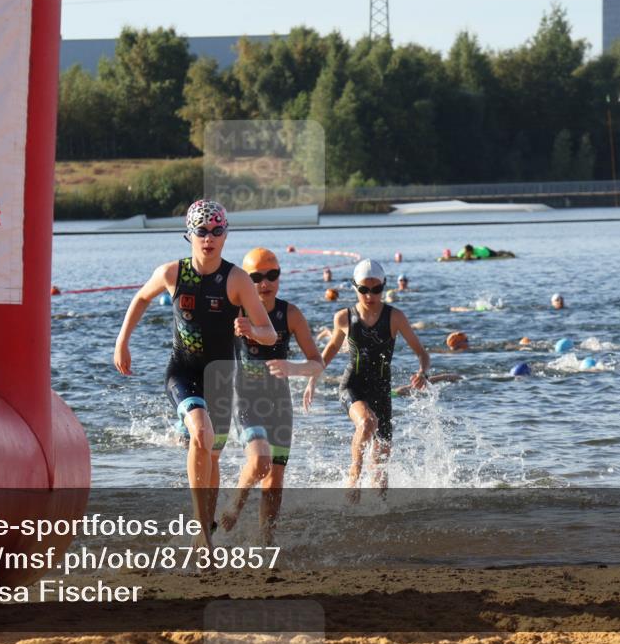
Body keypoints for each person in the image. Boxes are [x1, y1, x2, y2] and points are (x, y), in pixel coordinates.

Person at [114, 200, 276, 551]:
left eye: (217, 231)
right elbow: (141, 298)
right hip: (183, 371)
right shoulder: (172, 273)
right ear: (188, 235)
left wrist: (251, 330)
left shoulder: (237, 280)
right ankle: (202, 529)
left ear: (225, 235)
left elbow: (270, 334)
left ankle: (205, 529)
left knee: (211, 454)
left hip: (221, 377)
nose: (209, 238)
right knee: (201, 434)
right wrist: (122, 342)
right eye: (202, 231)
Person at [304, 259, 430, 503]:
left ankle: (376, 515)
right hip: (353, 386)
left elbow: (422, 353)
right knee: (366, 422)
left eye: (376, 290)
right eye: (364, 290)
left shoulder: (395, 317)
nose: (370, 295)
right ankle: (353, 474)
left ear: (383, 286)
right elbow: (328, 352)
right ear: (354, 287)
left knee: (381, 468)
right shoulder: (343, 318)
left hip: (381, 391)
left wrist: (422, 372)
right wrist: (312, 381)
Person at [220, 248, 323, 542]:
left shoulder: (289, 314)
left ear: (279, 276)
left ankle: (267, 539)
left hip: (279, 403)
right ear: (246, 280)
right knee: (258, 460)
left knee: (275, 479)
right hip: (245, 399)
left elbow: (317, 363)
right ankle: (237, 499)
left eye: (272, 275)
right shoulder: (235, 313)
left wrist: (293, 367)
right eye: (256, 277)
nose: (265, 283)